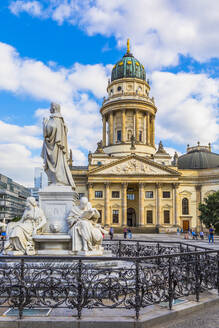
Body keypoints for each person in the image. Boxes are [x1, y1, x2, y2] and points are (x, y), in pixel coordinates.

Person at [41, 102, 76, 188]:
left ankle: (58, 180)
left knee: (56, 163)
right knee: (58, 164)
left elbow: (50, 129)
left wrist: (44, 124)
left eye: (50, 107)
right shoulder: (60, 120)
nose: (49, 109)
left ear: (54, 108)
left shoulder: (55, 119)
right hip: (55, 146)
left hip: (55, 147)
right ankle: (57, 180)